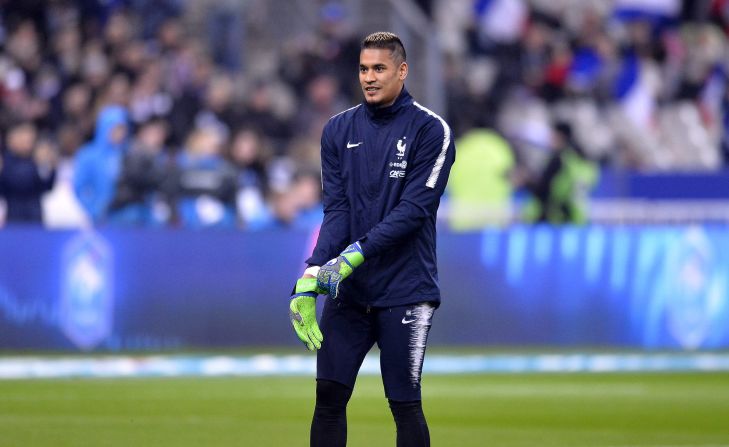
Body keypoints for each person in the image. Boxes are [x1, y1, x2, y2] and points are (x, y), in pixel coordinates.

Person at [288, 32, 456, 447]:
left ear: (402, 71)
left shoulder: (431, 131)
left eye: (379, 68)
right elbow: (338, 212)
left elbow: (414, 212)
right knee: (327, 397)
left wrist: (353, 256)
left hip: (406, 289)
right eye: (363, 69)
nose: (369, 77)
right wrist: (310, 275)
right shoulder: (337, 130)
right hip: (351, 291)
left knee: (404, 404)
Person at [0, 122, 57, 224]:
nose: (27, 140)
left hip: (36, 217)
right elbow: (15, 182)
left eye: (30, 136)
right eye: (23, 135)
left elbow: (48, 186)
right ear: (11, 138)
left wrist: (46, 166)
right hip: (13, 218)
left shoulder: (37, 159)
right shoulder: (6, 160)